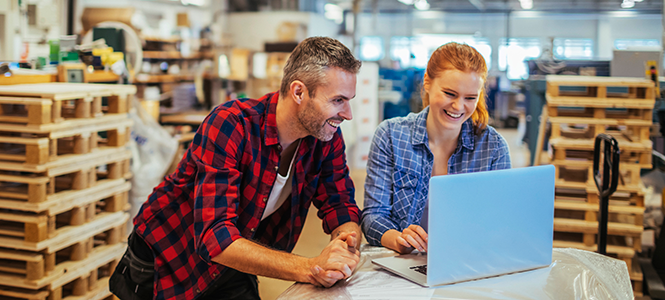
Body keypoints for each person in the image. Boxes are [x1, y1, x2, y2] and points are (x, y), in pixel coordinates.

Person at [115, 36, 363, 300]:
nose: (348, 114)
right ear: (299, 92)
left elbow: (339, 203)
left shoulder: (325, 136)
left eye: (349, 101)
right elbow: (215, 237)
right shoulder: (230, 125)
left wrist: (344, 243)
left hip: (234, 260)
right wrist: (312, 268)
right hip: (168, 260)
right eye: (338, 100)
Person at [360, 42, 511, 254]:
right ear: (427, 83)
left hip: (467, 259)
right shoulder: (390, 136)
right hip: (404, 262)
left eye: (470, 98)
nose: (459, 107)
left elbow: (500, 221)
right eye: (450, 93)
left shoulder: (493, 147)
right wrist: (398, 240)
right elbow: (373, 216)